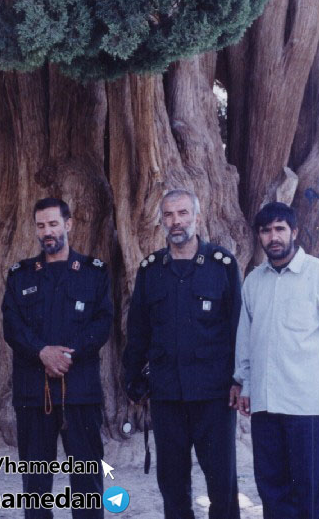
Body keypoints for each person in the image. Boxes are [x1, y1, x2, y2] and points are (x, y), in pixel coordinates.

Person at [124, 189, 242, 519]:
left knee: (222, 482)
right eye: (169, 215)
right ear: (162, 221)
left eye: (183, 213)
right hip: (167, 395)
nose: (176, 221)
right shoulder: (151, 270)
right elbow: (138, 330)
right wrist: (132, 378)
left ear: (197, 218)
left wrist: (239, 380)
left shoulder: (221, 265)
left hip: (214, 395)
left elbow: (237, 328)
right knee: (172, 483)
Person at [233, 201, 319, 519]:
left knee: (314, 489)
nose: (273, 237)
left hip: (308, 404)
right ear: (259, 236)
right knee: (272, 487)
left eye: (280, 229)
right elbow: (246, 338)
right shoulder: (253, 282)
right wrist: (245, 384)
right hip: (266, 404)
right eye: (266, 231)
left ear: (294, 232)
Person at [2, 197, 112, 519]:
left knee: (88, 482)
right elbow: (12, 326)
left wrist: (65, 355)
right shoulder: (20, 275)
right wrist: (42, 352)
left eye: (53, 224)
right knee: (36, 485)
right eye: (41, 226)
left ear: (68, 224)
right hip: (34, 395)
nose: (47, 231)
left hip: (80, 392)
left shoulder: (94, 273)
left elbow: (102, 323)